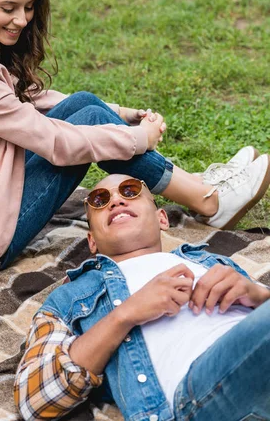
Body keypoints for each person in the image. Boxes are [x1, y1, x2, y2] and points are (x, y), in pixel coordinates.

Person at [0, 0, 270, 276]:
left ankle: (201, 187)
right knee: (87, 124)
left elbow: (32, 99)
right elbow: (56, 143)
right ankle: (210, 201)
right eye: (8, 8)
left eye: (28, 7)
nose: (21, 20)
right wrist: (137, 138)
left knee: (84, 106)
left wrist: (121, 112)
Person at [14, 174, 270, 421]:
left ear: (162, 219)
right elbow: (32, 400)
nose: (116, 201)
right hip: (201, 390)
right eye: (100, 200)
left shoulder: (210, 261)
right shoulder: (69, 298)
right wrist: (125, 315)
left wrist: (258, 294)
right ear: (92, 241)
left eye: (130, 191)